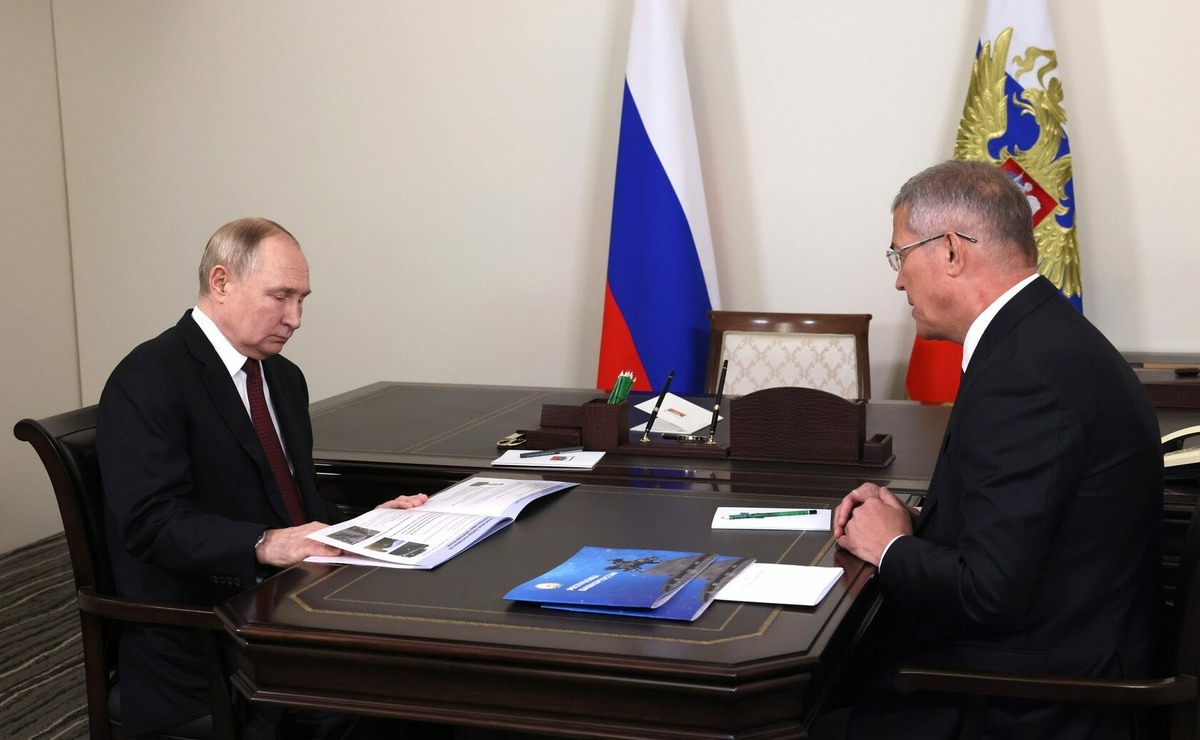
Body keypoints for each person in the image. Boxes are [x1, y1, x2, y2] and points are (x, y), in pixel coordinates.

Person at [823, 161, 1163, 738]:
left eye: (900, 255)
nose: (899, 282)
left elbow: (988, 592)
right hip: (1058, 654)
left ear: (951, 251)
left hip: (1031, 702)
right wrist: (912, 525)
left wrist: (891, 547)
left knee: (808, 710)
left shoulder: (1021, 374)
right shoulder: (1043, 335)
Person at [97, 218, 430, 738]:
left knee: (428, 663)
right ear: (221, 282)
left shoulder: (282, 377)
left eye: (302, 300)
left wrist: (366, 523)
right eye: (280, 296)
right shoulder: (149, 377)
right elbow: (150, 522)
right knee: (399, 696)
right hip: (208, 633)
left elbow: (290, 503)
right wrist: (264, 543)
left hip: (291, 607)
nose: (295, 318)